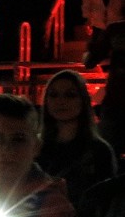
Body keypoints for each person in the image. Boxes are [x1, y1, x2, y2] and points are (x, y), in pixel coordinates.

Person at [37, 70, 116, 206]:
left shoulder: (99, 151)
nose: (61, 101)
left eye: (70, 95)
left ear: (83, 100)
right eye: (53, 95)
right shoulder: (35, 147)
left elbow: (106, 199)